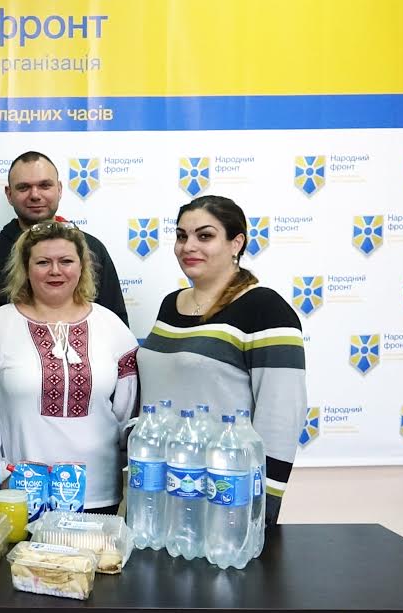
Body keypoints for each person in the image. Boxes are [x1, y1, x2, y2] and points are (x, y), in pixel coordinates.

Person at [137, 195, 305, 525]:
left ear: (236, 243)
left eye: (205, 236)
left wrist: (261, 503)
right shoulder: (170, 305)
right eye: (181, 236)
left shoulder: (265, 308)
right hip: (158, 485)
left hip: (223, 494)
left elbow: (282, 413)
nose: (188, 246)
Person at [0, 221, 139, 514]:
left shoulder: (112, 327)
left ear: (82, 267)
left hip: (98, 493)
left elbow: (127, 415)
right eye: (42, 262)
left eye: (66, 261)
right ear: (25, 269)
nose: (55, 271)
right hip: (21, 493)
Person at [0, 151, 127, 328]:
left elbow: (116, 324)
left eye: (45, 185)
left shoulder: (91, 248)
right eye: (23, 187)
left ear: (59, 189)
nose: (35, 195)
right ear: (9, 194)